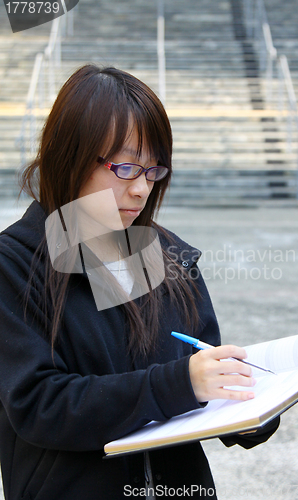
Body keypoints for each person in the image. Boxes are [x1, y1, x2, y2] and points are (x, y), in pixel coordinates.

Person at [0, 65, 279, 500]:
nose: (142, 190)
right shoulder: (15, 264)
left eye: (153, 171)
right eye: (126, 167)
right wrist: (178, 383)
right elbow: (39, 404)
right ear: (69, 156)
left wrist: (251, 403)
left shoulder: (166, 256)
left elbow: (196, 365)